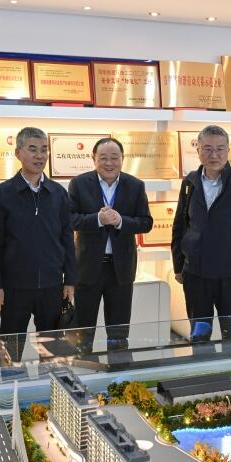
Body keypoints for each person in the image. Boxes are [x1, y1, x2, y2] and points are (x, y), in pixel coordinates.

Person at [0, 127, 76, 363]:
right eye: (32, 149)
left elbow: (67, 237)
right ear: (18, 153)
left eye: (44, 150)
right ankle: (9, 387)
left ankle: (50, 386)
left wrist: (70, 279)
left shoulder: (58, 193)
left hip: (52, 286)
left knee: (52, 353)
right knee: (10, 352)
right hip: (14, 288)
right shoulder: (2, 193)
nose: (39, 156)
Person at [171, 125, 231, 341]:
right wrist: (179, 265)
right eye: (208, 149)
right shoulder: (190, 182)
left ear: (228, 150)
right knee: (199, 336)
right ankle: (202, 364)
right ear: (198, 150)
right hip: (195, 276)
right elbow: (180, 226)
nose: (214, 155)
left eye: (220, 149)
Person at [68, 137, 153, 352]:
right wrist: (98, 219)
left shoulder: (135, 185)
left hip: (121, 269)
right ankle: (84, 366)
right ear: (93, 158)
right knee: (83, 330)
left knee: (118, 331)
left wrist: (121, 221)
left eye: (114, 158)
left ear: (122, 159)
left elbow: (146, 222)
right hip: (87, 267)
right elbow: (69, 219)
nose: (109, 163)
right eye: (103, 158)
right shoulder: (78, 183)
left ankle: (119, 368)